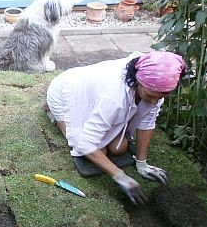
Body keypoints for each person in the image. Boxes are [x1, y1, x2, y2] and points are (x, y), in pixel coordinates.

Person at [46, 51, 186, 205]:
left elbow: (147, 122)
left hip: (97, 97)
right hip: (65, 92)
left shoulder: (157, 84)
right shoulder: (114, 96)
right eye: (150, 96)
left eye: (159, 98)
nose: (154, 102)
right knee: (94, 149)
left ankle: (100, 122)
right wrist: (121, 177)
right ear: (138, 81)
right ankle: (54, 115)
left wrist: (142, 163)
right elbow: (85, 144)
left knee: (119, 149)